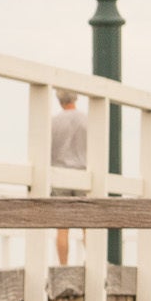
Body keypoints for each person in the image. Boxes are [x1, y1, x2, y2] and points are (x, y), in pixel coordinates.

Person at [49, 91, 88, 265]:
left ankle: (63, 266)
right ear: (76, 97)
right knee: (88, 225)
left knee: (62, 227)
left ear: (59, 100)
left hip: (60, 175)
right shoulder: (86, 120)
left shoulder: (53, 122)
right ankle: (92, 261)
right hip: (82, 173)